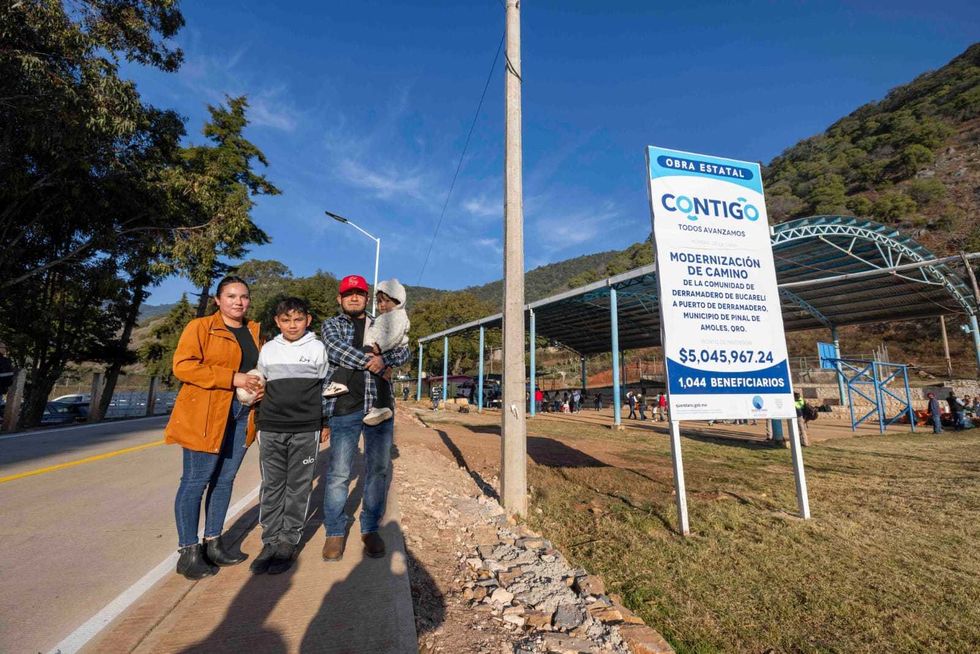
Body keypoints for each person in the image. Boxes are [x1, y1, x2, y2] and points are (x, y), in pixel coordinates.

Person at [166, 276, 262, 580]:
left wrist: (260, 388)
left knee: (224, 480)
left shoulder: (254, 331)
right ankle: (188, 552)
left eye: (243, 296)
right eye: (231, 296)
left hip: (243, 412)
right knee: (196, 481)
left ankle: (213, 543)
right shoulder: (201, 327)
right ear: (218, 300)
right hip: (206, 413)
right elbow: (183, 366)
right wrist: (232, 378)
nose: (238, 302)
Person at [320, 274, 410, 562]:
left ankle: (370, 528)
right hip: (344, 407)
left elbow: (404, 350)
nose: (354, 298)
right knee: (339, 473)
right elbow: (336, 350)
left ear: (366, 297)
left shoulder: (383, 321)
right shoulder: (332, 325)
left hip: (380, 405)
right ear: (340, 298)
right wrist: (374, 361)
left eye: (359, 293)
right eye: (349, 294)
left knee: (378, 470)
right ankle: (335, 531)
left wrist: (386, 359)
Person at [250, 297, 329, 575]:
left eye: (298, 319)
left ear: (308, 320)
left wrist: (324, 422)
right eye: (286, 320)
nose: (292, 325)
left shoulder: (318, 348)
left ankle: (288, 542)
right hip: (271, 427)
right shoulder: (268, 349)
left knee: (299, 486)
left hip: (306, 428)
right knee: (272, 485)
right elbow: (259, 386)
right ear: (277, 322)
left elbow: (325, 389)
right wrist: (257, 419)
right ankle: (270, 541)